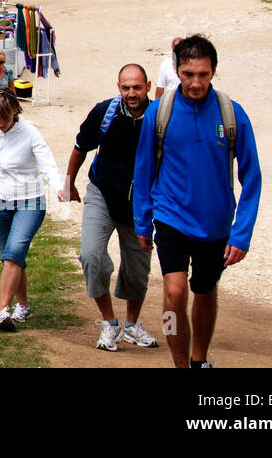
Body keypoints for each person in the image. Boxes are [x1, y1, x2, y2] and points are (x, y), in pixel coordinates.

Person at [133, 34, 262, 368]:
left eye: (202, 74)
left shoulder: (232, 114)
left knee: (205, 292)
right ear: (176, 70)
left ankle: (198, 360)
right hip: (171, 216)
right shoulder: (158, 114)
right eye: (188, 74)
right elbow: (144, 170)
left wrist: (241, 233)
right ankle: (179, 363)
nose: (195, 82)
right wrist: (142, 221)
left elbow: (253, 178)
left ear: (213, 71)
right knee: (175, 293)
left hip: (216, 223)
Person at [65, 64, 161, 352]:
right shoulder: (104, 112)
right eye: (126, 87)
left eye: (137, 87)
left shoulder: (159, 118)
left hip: (140, 204)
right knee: (90, 255)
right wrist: (69, 184)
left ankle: (132, 326)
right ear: (118, 86)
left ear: (148, 85)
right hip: (102, 193)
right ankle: (109, 323)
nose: (132, 93)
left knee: (137, 268)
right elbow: (80, 147)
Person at [0, 89, 65, 331]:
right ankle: (23, 305)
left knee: (13, 252)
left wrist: (58, 186)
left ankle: (2, 312)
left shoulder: (29, 132)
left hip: (30, 200)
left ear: (15, 112)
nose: (1, 124)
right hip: (0, 203)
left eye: (5, 118)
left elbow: (47, 160)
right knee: (13, 259)